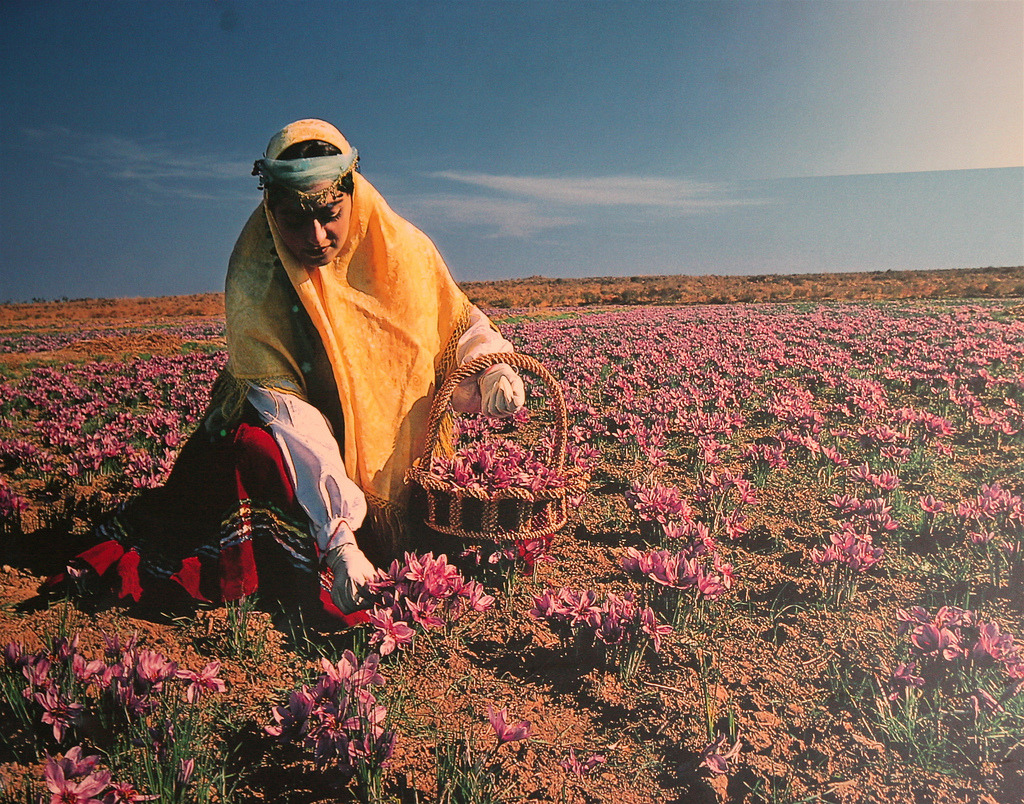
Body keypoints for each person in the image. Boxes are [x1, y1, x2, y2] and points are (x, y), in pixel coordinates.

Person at [53, 119, 525, 621]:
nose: (315, 236)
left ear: (353, 194)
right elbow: (290, 415)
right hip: (291, 437)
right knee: (255, 454)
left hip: (386, 448)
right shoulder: (256, 272)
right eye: (294, 221)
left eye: (328, 214)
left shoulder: (403, 250)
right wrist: (339, 538)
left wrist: (490, 367)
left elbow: (455, 323)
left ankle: (384, 532)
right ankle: (301, 560)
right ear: (271, 210)